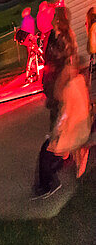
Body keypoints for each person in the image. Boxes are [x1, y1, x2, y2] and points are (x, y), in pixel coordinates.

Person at [33, 62, 92, 198]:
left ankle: (48, 186)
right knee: (53, 150)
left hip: (73, 133)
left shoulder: (69, 89)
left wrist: (56, 135)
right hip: (81, 129)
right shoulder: (80, 82)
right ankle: (54, 172)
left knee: (46, 151)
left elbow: (65, 116)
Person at [42, 5, 78, 124]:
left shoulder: (66, 35)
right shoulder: (53, 34)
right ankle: (57, 130)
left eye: (54, 17)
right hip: (53, 75)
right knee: (56, 104)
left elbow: (66, 54)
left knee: (61, 103)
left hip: (61, 73)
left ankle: (59, 131)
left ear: (58, 19)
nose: (51, 20)